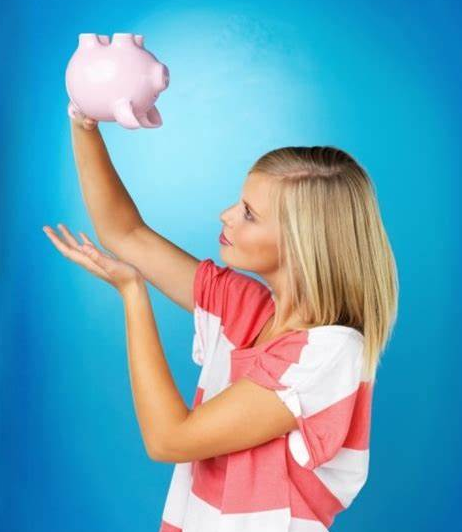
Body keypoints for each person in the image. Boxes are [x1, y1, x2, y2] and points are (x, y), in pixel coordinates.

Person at [43, 111, 398, 532]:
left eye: (249, 213)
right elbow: (125, 234)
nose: (225, 214)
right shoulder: (246, 309)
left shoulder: (329, 352)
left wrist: (133, 293)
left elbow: (168, 439)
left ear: (302, 244)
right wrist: (83, 123)